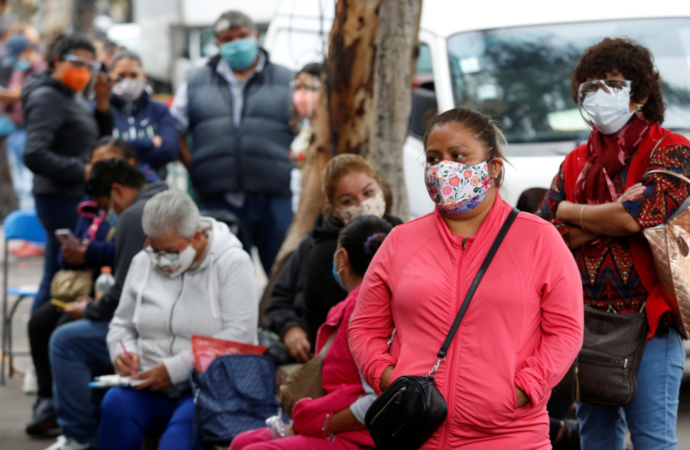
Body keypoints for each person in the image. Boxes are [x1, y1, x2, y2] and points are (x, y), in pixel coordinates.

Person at [348, 107, 584, 449]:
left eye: (459, 155)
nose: (444, 167)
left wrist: (522, 389)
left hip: (511, 438)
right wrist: (389, 378)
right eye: (433, 158)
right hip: (418, 434)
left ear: (493, 168)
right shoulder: (400, 241)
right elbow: (364, 327)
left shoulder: (539, 239)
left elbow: (566, 331)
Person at [538, 38, 689, 450]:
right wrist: (599, 214)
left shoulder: (672, 150)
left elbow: (637, 217)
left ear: (639, 94)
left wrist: (571, 211)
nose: (597, 96)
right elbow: (545, 236)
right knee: (597, 441)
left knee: (652, 441)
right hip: (583, 326)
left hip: (649, 327)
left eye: (611, 85)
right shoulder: (574, 161)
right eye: (589, 86)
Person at [98, 190, 258, 450]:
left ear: (195, 236)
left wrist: (175, 369)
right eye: (155, 250)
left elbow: (240, 334)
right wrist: (122, 351)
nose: (162, 261)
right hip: (148, 381)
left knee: (178, 441)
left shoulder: (232, 263)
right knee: (115, 406)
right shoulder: (143, 262)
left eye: (170, 251)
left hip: (207, 388)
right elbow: (121, 323)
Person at [25, 138, 157, 437]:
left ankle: (77, 433)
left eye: (103, 164)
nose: (95, 171)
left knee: (64, 338)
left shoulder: (135, 215)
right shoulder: (129, 205)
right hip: (110, 297)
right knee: (44, 322)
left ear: (118, 186)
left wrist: (89, 307)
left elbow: (124, 292)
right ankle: (53, 404)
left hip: (135, 316)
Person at [231, 215, 391, 450]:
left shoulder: (367, 312)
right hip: (337, 421)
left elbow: (378, 400)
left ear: (342, 259)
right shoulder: (352, 306)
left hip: (361, 436)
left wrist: (321, 423)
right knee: (242, 442)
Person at [170, 10, 295, 275]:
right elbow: (175, 129)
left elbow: (306, 130)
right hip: (218, 196)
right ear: (217, 44)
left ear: (256, 36)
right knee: (222, 272)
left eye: (242, 36)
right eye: (228, 38)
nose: (236, 43)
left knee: (282, 272)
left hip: (273, 194)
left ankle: (278, 318)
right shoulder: (195, 82)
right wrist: (196, 167)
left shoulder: (287, 80)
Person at [22, 35, 101, 313]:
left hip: (73, 195)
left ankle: (46, 341)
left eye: (91, 65)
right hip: (60, 197)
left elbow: (92, 138)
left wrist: (102, 106)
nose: (86, 71)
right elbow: (34, 154)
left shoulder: (72, 96)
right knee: (59, 275)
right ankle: (42, 341)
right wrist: (82, 171)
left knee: (61, 273)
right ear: (58, 60)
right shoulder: (47, 97)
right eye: (79, 63)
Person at [301, 154, 402, 347]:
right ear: (334, 209)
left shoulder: (397, 228)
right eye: (348, 201)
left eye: (368, 192)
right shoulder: (326, 255)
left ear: (380, 187)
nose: (363, 204)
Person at [94, 49, 178, 178]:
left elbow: (170, 151)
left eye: (133, 75)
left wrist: (117, 148)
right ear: (111, 76)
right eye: (121, 76)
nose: (127, 81)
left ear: (144, 76)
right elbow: (99, 153)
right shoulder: (100, 110)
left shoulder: (159, 110)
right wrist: (150, 143)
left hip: (153, 187)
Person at [1, 33, 46, 210]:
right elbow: (14, 91)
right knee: (20, 184)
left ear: (27, 51)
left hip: (32, 129)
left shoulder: (41, 67)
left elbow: (26, 92)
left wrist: (11, 94)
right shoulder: (19, 69)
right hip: (16, 129)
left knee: (30, 182)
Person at [288, 62, 322, 213]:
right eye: (298, 87)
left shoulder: (331, 132)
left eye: (310, 88)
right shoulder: (304, 126)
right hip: (300, 205)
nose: (302, 94)